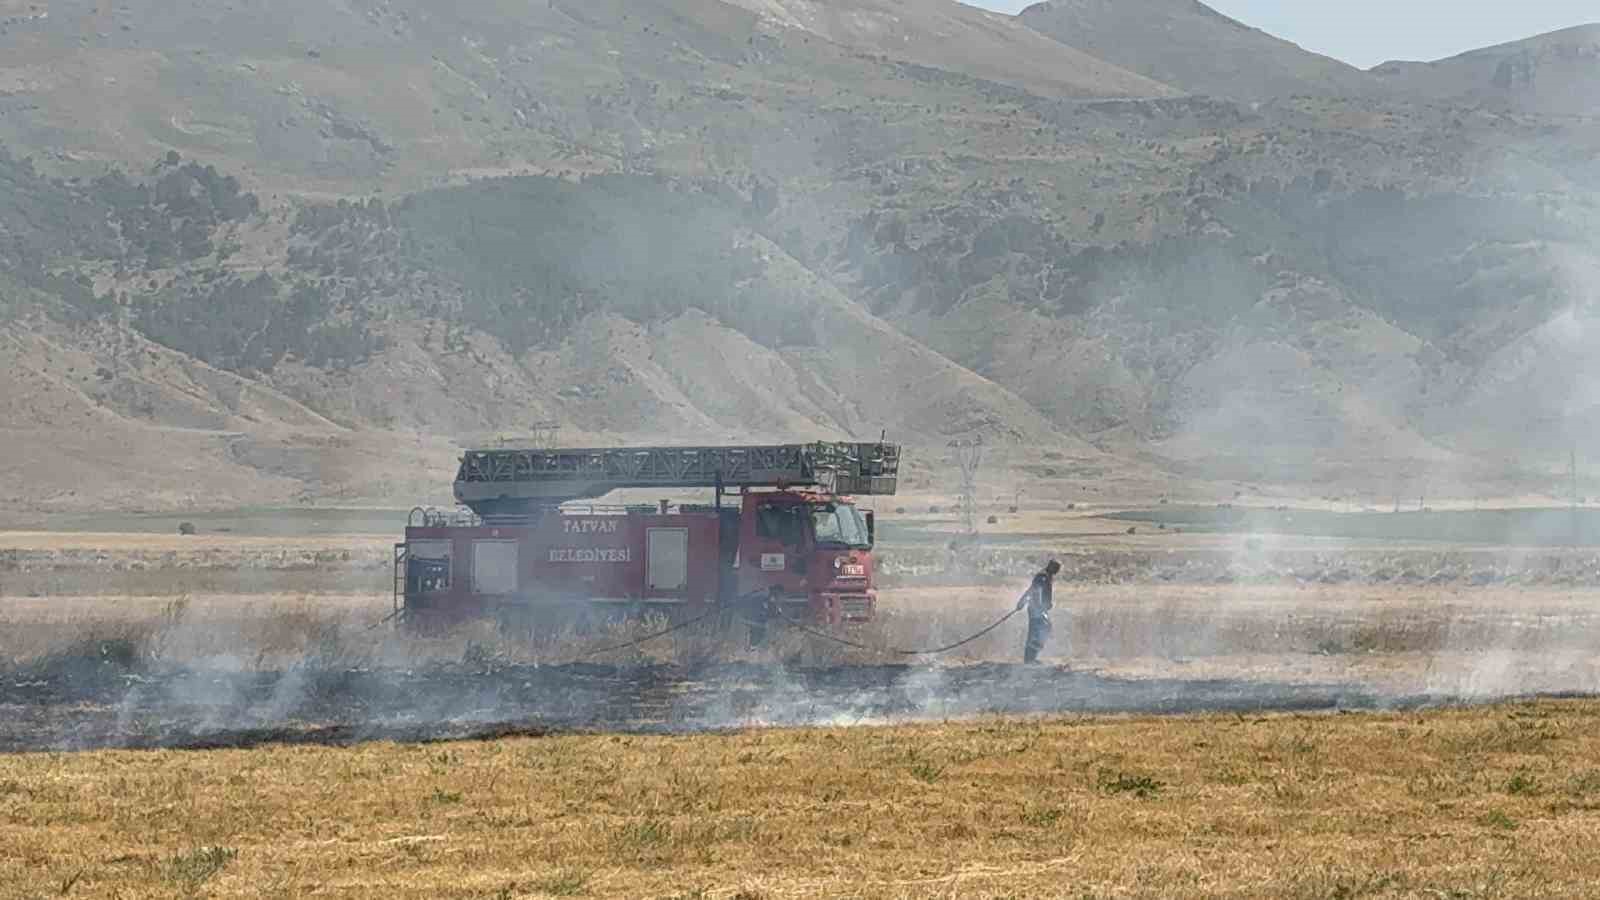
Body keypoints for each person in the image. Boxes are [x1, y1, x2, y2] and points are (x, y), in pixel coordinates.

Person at [1015, 559, 1062, 664]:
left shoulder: (1047, 576)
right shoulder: (1042, 577)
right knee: (1038, 631)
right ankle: (1029, 660)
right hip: (1036, 609)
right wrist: (1022, 602)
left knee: (1042, 630)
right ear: (1051, 567)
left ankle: (1030, 658)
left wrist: (1047, 603)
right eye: (1056, 568)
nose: (1057, 571)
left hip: (1039, 609)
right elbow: (1033, 590)